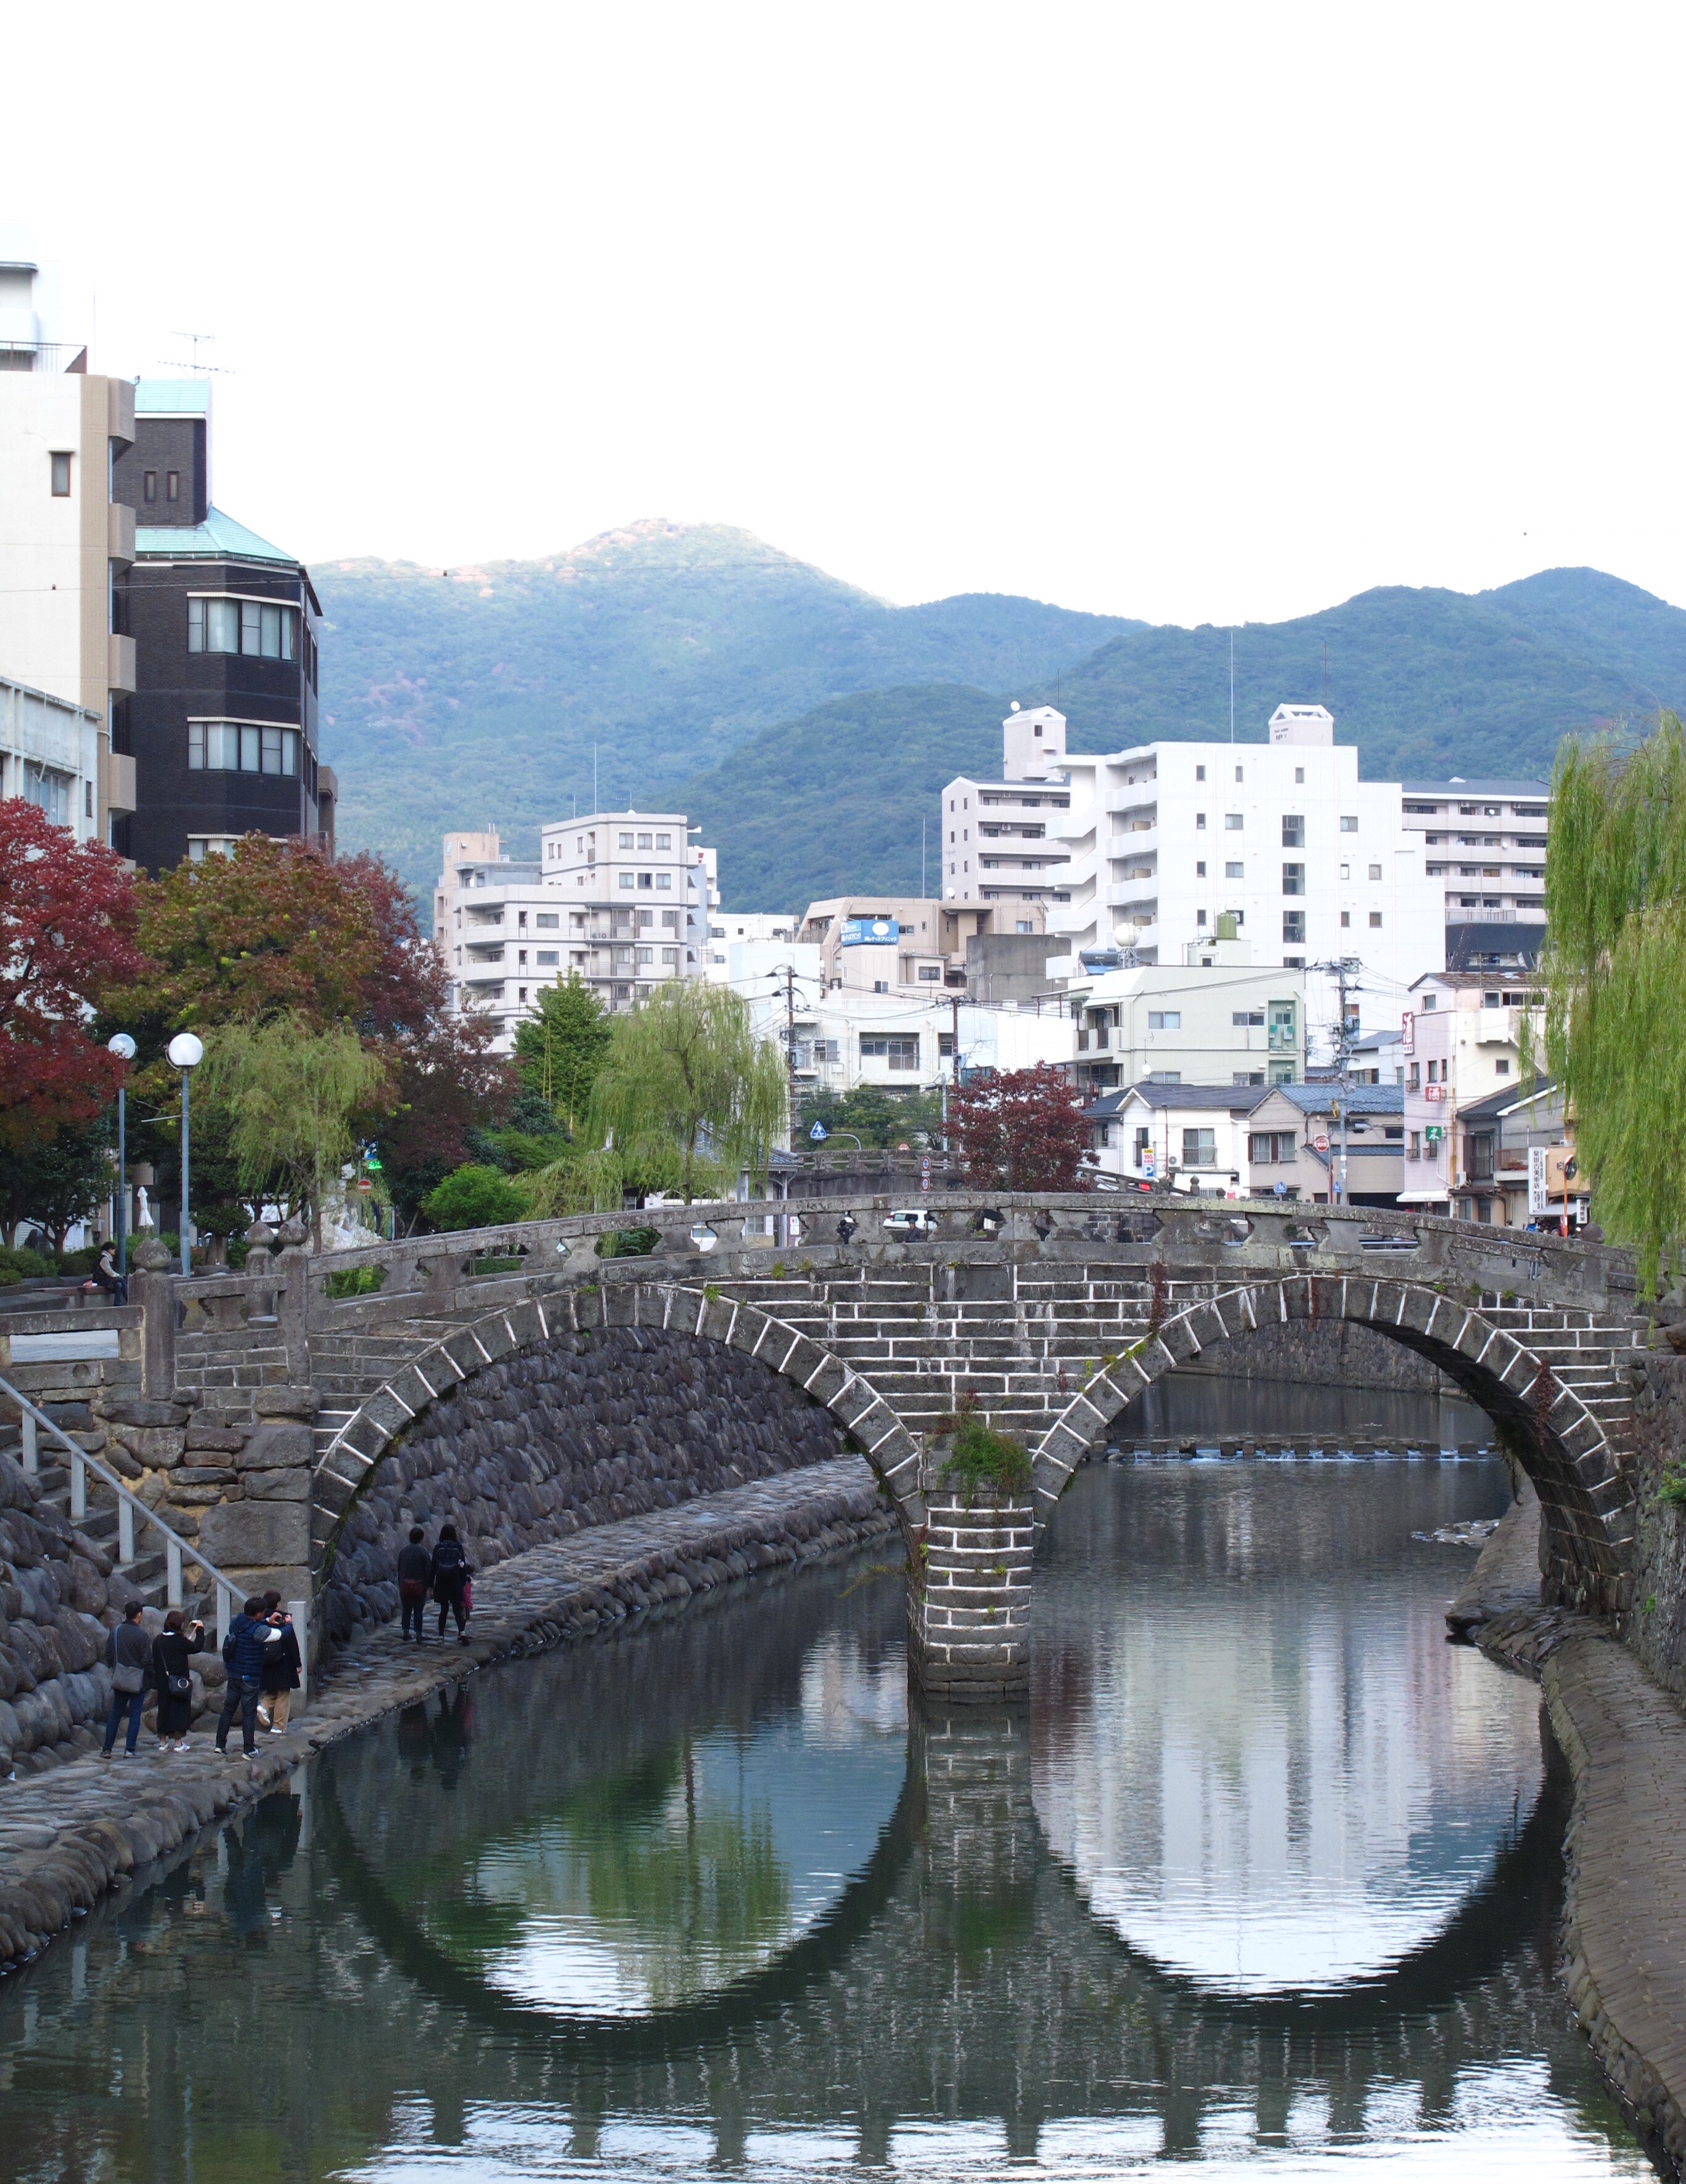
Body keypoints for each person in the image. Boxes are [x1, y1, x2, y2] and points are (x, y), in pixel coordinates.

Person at [216, 1595, 282, 1760]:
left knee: (228, 1710)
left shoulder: (237, 1622)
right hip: (250, 1677)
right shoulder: (258, 1630)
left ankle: (220, 1745)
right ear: (258, 1614)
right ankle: (248, 1749)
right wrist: (287, 1624)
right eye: (263, 1612)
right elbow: (278, 1635)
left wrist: (267, 1620)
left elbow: (251, 1626)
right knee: (249, 1714)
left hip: (234, 1673)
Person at [102, 1601, 152, 1758]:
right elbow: (147, 1660)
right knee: (135, 1716)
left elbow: (109, 1655)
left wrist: (116, 1668)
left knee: (115, 1714)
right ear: (139, 1615)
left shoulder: (116, 1631)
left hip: (120, 1678)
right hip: (137, 1680)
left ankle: (107, 1749)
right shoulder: (142, 1635)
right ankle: (129, 1749)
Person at [152, 1609, 202, 1752]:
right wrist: (200, 1630)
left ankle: (162, 1742)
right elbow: (197, 1647)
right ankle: (178, 1743)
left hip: (162, 1681)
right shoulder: (180, 1641)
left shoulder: (158, 1640)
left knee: (164, 1710)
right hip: (179, 1681)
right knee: (179, 1710)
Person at [255, 1593, 301, 1734]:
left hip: (265, 1661)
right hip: (283, 1662)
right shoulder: (283, 1619)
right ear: (277, 1604)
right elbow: (291, 1642)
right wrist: (298, 1663)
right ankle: (278, 1727)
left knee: (271, 1690)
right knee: (283, 1693)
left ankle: (263, 1706)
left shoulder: (260, 1620)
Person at [429, 1522, 473, 1644]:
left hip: (441, 1581)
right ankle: (462, 1632)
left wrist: (431, 1585)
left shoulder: (438, 1548)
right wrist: (464, 1582)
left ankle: (441, 1635)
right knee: (457, 1609)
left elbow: (433, 1568)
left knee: (444, 1609)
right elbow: (462, 1566)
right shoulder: (458, 1547)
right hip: (455, 1582)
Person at [396, 1525, 432, 1643]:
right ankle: (419, 1633)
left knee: (406, 1609)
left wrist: (400, 1582)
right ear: (421, 1538)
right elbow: (428, 1570)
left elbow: (400, 1569)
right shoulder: (423, 1552)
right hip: (420, 1586)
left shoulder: (403, 1551)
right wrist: (430, 1585)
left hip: (405, 1585)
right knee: (418, 1610)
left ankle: (406, 1632)